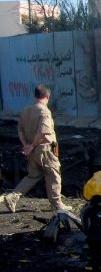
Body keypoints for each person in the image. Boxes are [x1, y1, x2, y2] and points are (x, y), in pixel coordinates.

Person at [1, 84, 70, 213]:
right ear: (47, 96)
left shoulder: (25, 110)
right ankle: (56, 204)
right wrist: (32, 145)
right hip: (45, 149)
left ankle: (13, 196)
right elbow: (43, 132)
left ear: (34, 96)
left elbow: (20, 131)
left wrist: (27, 146)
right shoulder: (44, 111)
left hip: (32, 151)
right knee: (54, 174)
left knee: (33, 175)